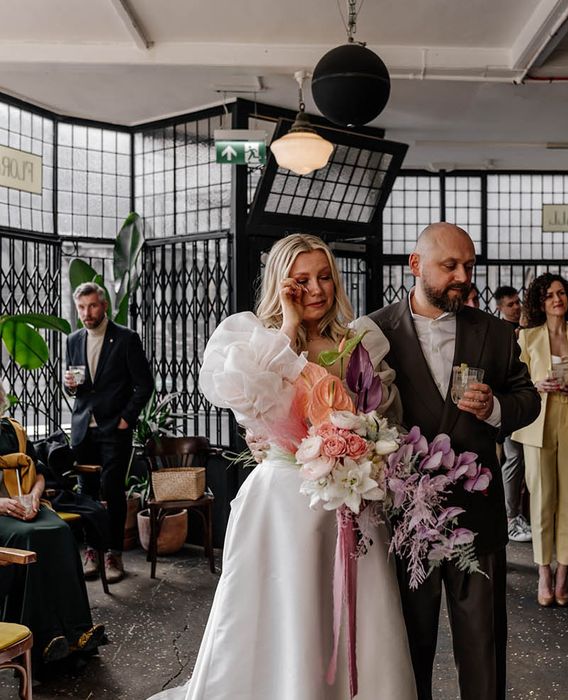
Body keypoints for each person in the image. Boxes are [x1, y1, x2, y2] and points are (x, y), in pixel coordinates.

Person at [149, 234, 416, 699]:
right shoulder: (256, 341)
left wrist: (365, 451)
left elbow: (384, 418)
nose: (316, 289)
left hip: (349, 498)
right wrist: (289, 325)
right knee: (283, 611)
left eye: (325, 277)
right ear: (281, 284)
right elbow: (252, 409)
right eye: (302, 280)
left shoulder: (358, 343)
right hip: (281, 503)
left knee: (352, 614)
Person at [367, 222, 540, 700]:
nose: (463, 276)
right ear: (415, 265)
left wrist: (496, 408)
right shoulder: (373, 332)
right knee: (407, 645)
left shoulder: (497, 333)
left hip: (477, 513)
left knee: (483, 645)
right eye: (450, 266)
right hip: (404, 520)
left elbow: (527, 397)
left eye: (469, 265)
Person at [0, 385, 105, 665]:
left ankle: (78, 632)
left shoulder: (14, 429)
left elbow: (40, 473)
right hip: (1, 511)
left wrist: (34, 498)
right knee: (31, 536)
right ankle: (43, 637)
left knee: (58, 530)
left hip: (26, 504)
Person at [511, 273, 568, 607]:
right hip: (538, 424)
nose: (557, 299)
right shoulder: (527, 337)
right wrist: (536, 385)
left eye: (561, 293)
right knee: (542, 501)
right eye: (549, 295)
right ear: (539, 302)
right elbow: (516, 381)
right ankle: (543, 574)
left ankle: (564, 575)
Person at [64, 282, 153, 584]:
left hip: (114, 428)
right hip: (83, 428)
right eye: (81, 308)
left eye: (91, 306)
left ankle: (114, 553)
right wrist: (70, 385)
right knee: (85, 491)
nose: (86, 313)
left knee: (112, 489)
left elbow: (144, 384)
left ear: (103, 306)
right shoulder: (73, 340)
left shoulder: (126, 339)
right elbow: (76, 386)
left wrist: (126, 419)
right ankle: (92, 551)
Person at [493, 285, 530, 542]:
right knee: (513, 458)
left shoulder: (528, 329)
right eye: (510, 304)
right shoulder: (499, 332)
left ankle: (519, 513)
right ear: (500, 307)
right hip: (505, 406)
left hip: (524, 403)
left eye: (518, 302)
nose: (516, 307)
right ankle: (509, 517)